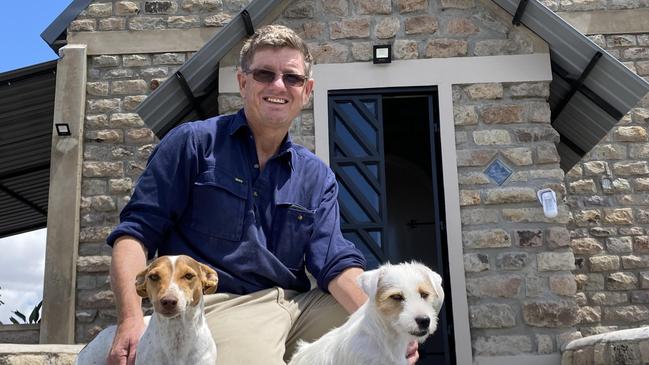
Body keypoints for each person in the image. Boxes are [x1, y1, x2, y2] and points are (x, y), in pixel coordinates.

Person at [105, 24, 419, 365]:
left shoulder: (317, 175)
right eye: (265, 74)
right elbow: (134, 234)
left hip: (298, 305)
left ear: (307, 90)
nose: (278, 86)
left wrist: (390, 327)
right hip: (226, 304)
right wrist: (132, 319)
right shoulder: (192, 144)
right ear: (243, 83)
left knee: (376, 342)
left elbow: (334, 261)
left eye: (292, 78)